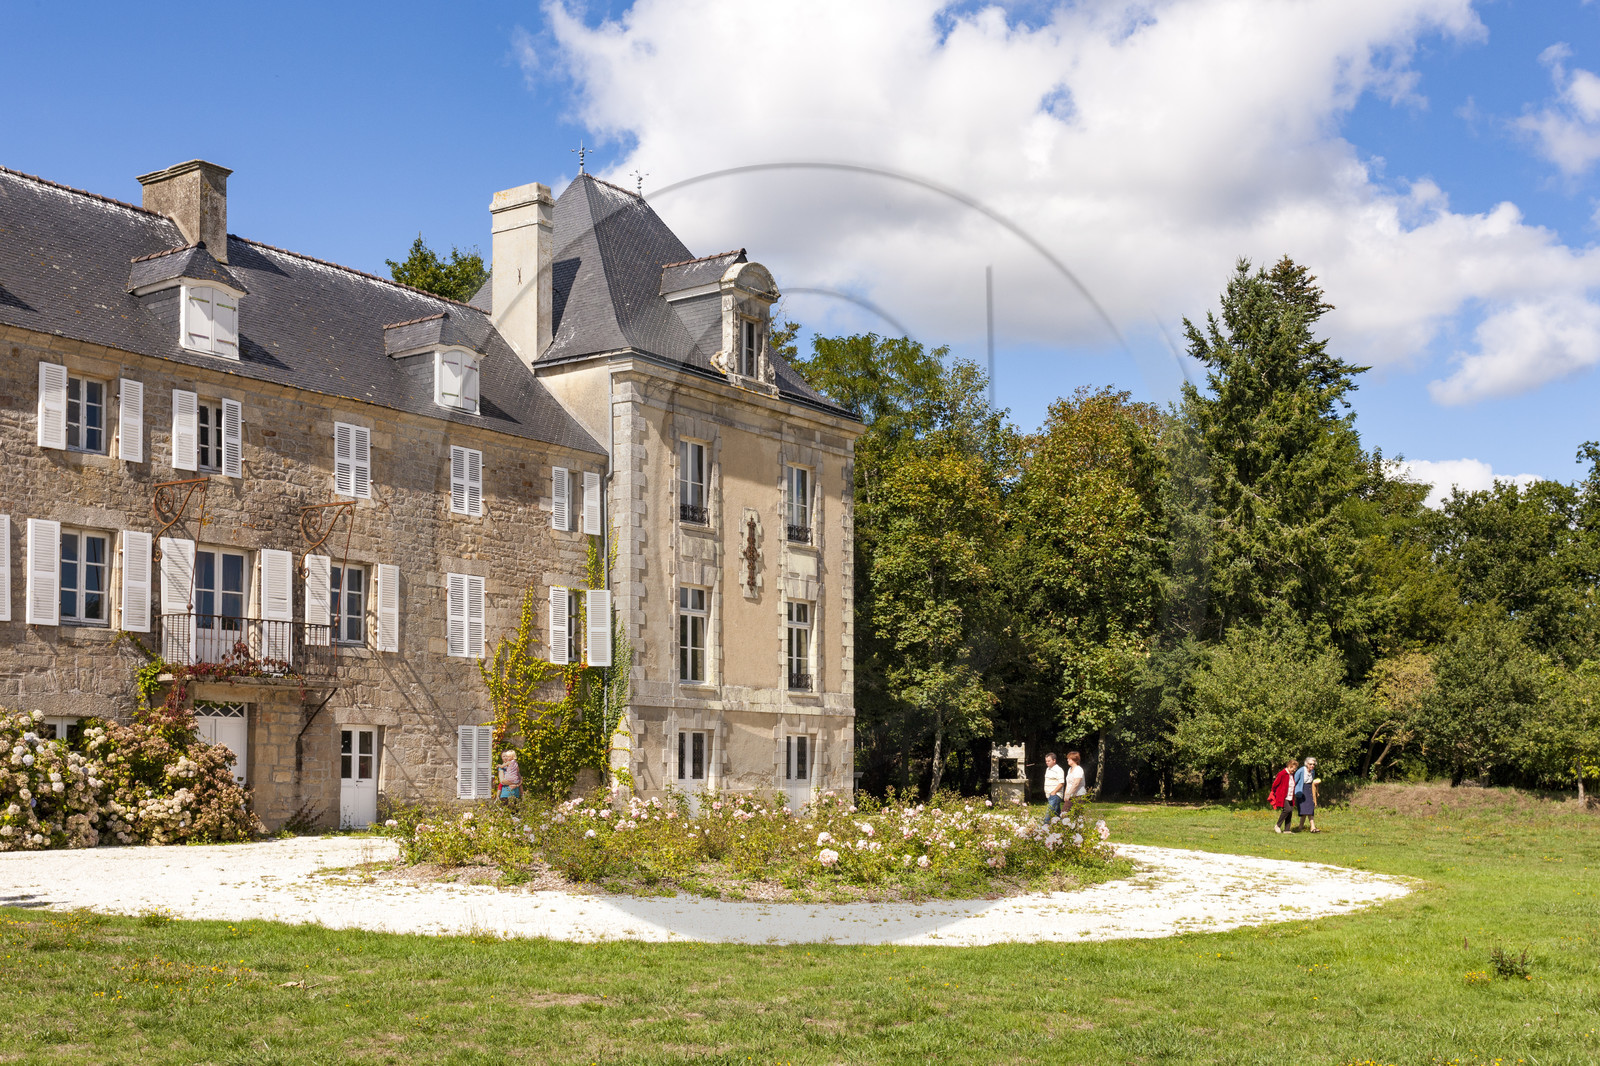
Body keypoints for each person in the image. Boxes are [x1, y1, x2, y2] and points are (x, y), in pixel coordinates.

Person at [1270, 758, 1299, 833]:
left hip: (1290, 796)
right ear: (1289, 766)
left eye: (1295, 769)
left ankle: (1287, 829)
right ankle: (1277, 825)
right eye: (1293, 768)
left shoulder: (1291, 775)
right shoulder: (1282, 774)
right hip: (1283, 796)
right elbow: (1275, 784)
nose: (1294, 770)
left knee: (1290, 811)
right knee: (1287, 810)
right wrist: (1274, 793)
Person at [1293, 757, 1320, 832]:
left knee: (1310, 808)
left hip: (1309, 790)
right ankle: (1301, 827)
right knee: (1304, 811)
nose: (1312, 766)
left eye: (1313, 764)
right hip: (1301, 791)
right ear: (1306, 764)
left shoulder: (1313, 772)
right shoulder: (1301, 771)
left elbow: (1311, 782)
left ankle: (1312, 827)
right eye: (1310, 764)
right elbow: (1294, 781)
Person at [1042, 753, 1065, 824]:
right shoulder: (1048, 769)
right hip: (1049, 795)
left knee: (1049, 813)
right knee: (1057, 815)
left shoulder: (1058, 769)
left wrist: (1054, 792)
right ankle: (1063, 828)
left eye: (1049, 761)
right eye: (1046, 761)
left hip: (1055, 795)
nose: (1047, 762)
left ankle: (1044, 828)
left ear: (1054, 760)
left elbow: (1061, 782)